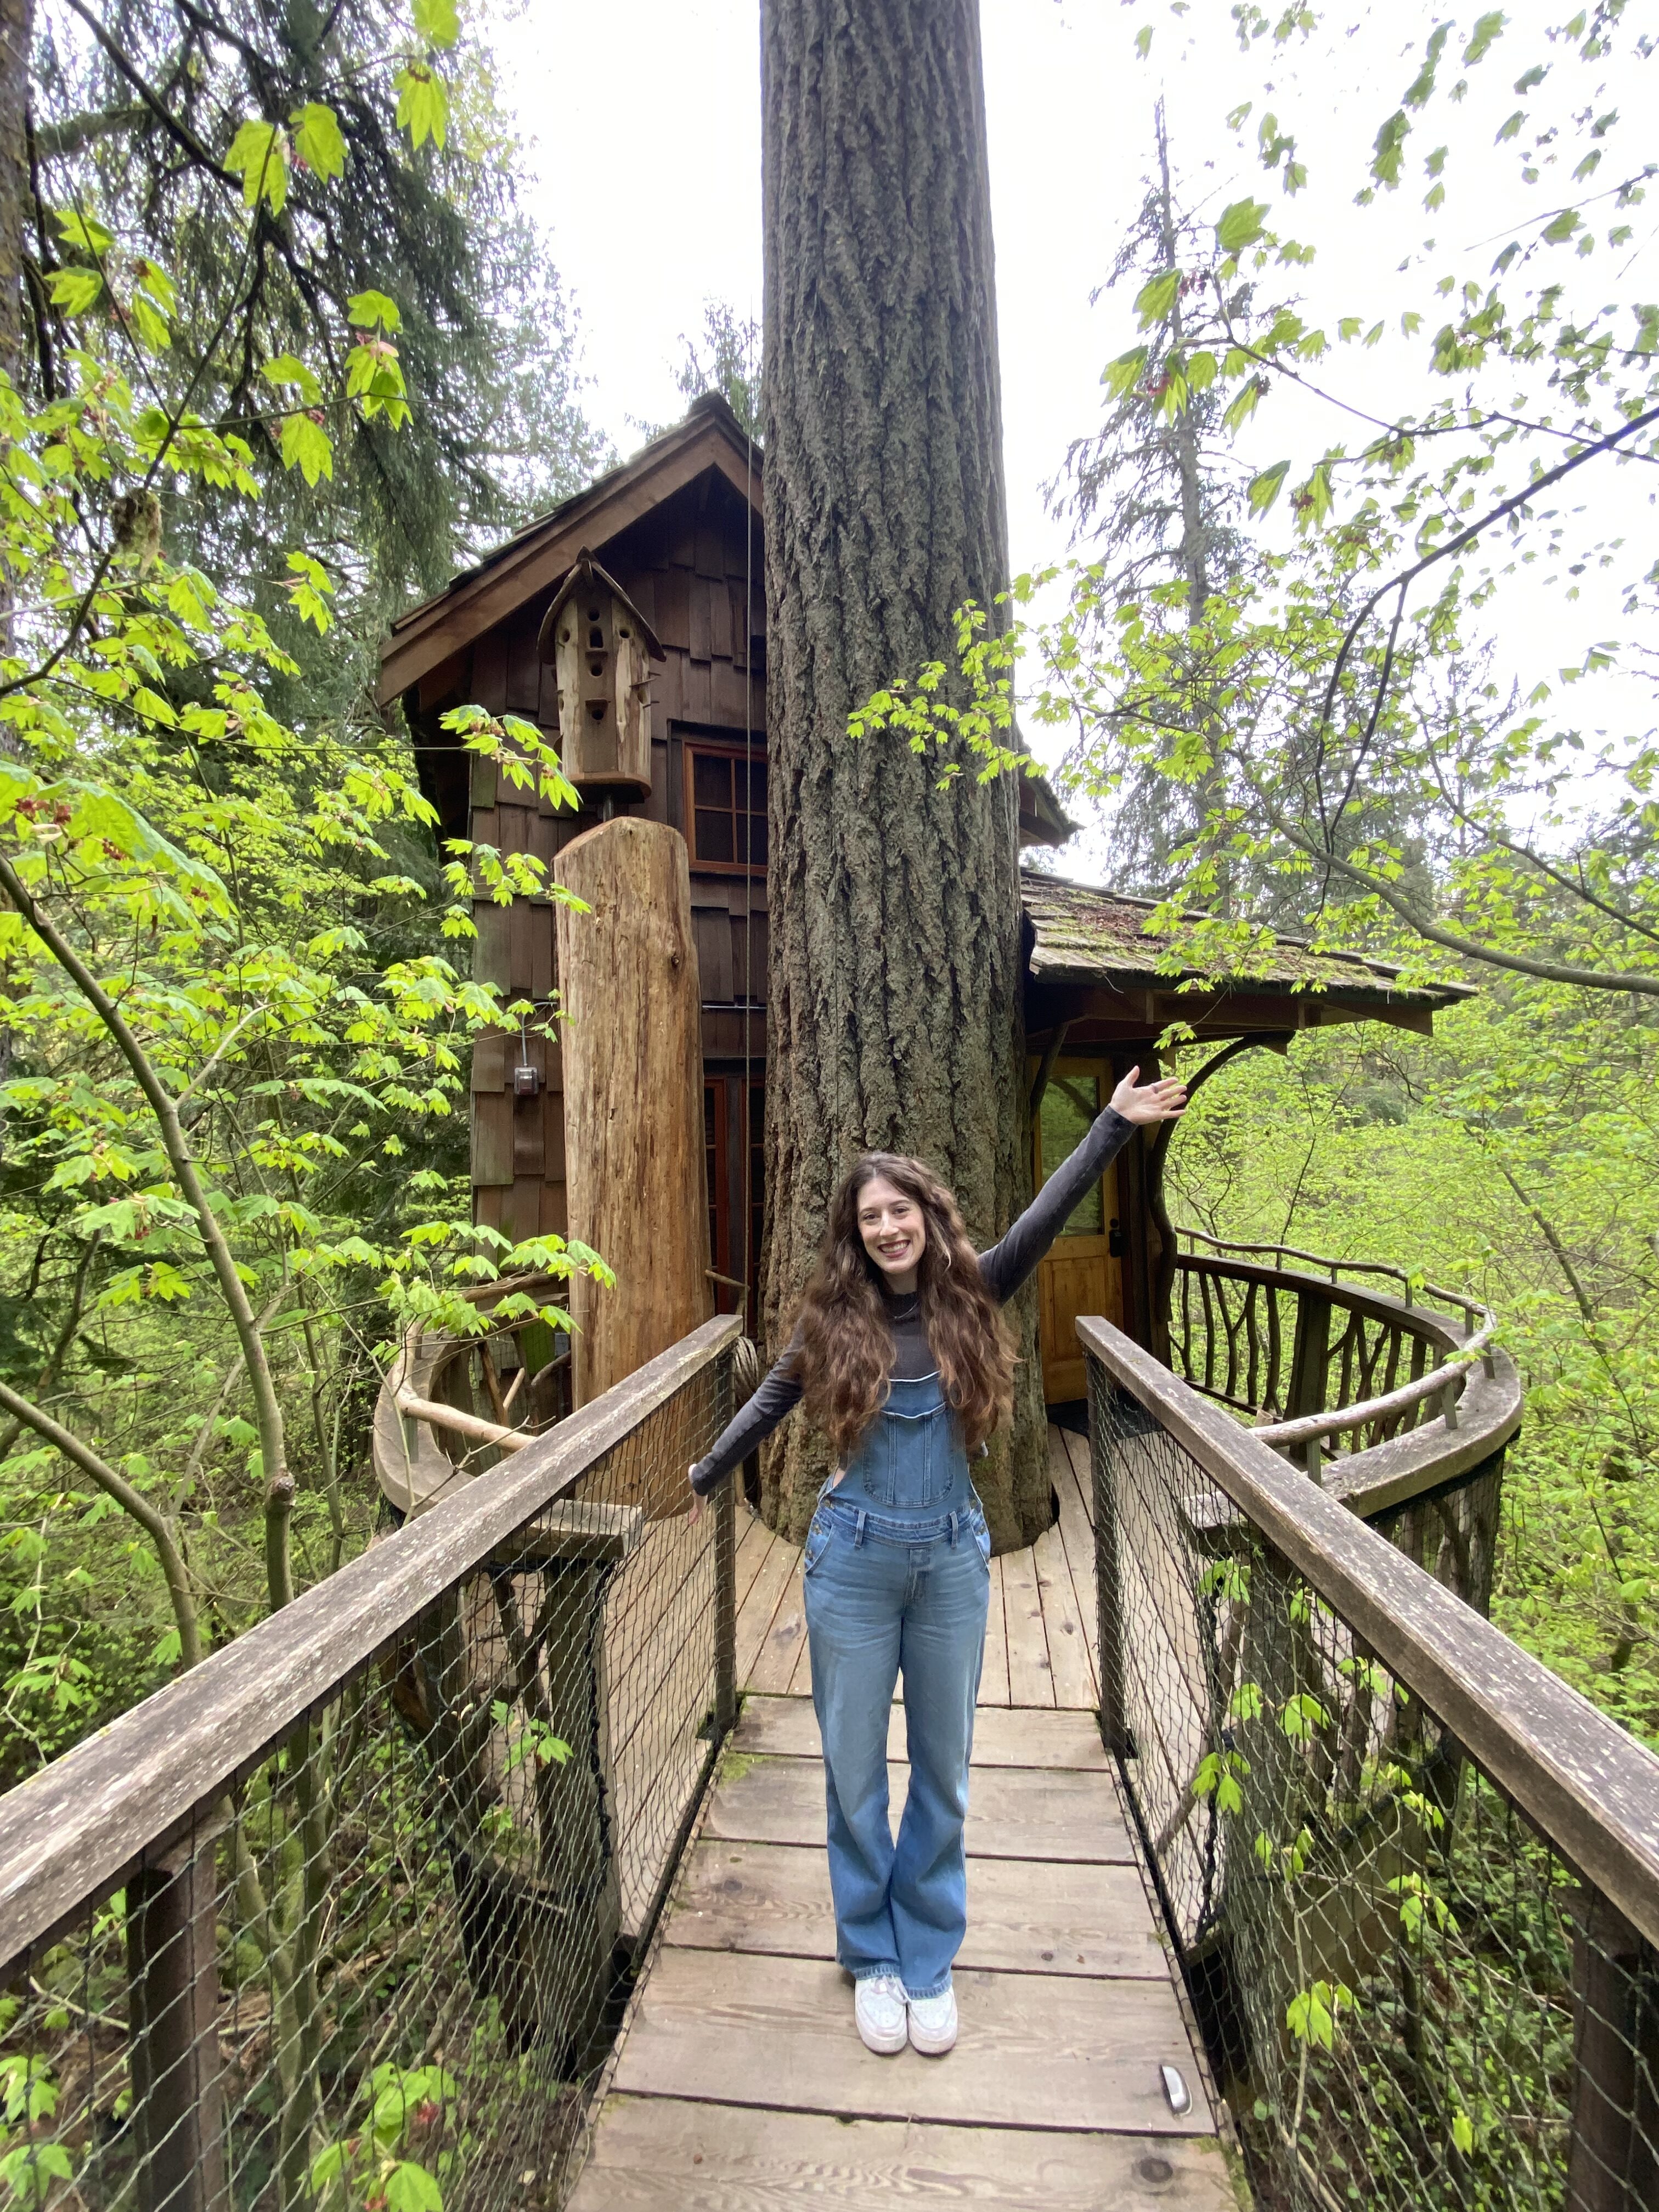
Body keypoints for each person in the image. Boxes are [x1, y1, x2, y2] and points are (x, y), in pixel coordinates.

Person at [687, 1067, 1187, 2057]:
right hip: (854, 1566)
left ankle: (929, 1956)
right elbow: (771, 1402)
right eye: (870, 1216)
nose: (887, 1228)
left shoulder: (975, 1290)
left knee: (945, 1773)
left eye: (900, 1209)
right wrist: (704, 1471)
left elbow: (1048, 1215)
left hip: (953, 1564)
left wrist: (1111, 1129)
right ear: (854, 1232)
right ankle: (872, 1957)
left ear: (926, 1215)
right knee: (855, 1773)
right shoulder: (830, 1322)